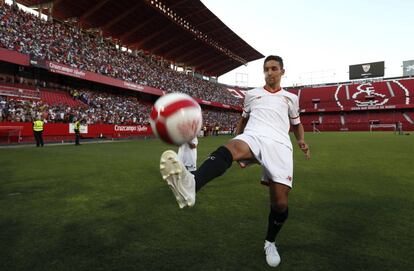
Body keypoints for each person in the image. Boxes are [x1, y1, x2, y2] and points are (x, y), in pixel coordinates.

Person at [160, 55, 310, 268]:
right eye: (266, 69)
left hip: (280, 144)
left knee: (280, 203)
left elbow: (296, 124)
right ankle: (192, 184)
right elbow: (244, 119)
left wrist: (301, 140)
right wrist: (238, 138)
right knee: (229, 149)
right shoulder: (251, 95)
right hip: (254, 135)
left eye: (274, 68)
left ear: (282, 72)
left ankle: (270, 242)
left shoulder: (291, 98)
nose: (269, 72)